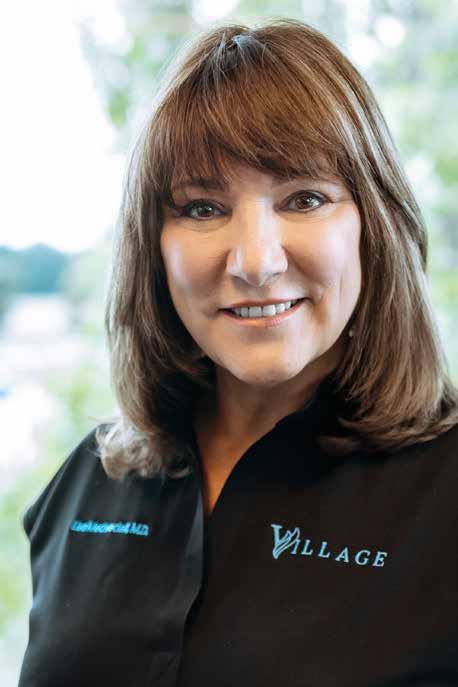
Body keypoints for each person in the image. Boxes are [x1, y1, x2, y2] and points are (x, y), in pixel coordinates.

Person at [18, 18, 458, 687]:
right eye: (202, 208)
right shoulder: (87, 481)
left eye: (305, 198)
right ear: (153, 246)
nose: (255, 261)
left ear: (376, 226)